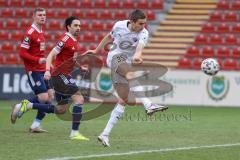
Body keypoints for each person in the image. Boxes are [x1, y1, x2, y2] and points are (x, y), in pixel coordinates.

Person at [87, 9, 168, 147]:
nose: (143, 26)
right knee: (130, 74)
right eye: (141, 23)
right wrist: (95, 50)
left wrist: (137, 56)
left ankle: (105, 134)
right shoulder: (119, 25)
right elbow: (109, 37)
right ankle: (148, 105)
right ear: (132, 22)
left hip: (126, 63)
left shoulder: (144, 33)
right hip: (115, 58)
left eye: (145, 23)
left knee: (125, 100)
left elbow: (139, 49)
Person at [11, 16, 89, 140]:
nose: (78, 28)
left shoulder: (74, 40)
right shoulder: (65, 39)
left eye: (79, 25)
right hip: (59, 76)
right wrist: (47, 70)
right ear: (68, 26)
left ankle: (28, 105)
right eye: (76, 25)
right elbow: (51, 55)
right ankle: (74, 133)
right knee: (79, 99)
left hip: (62, 76)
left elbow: (71, 60)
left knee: (60, 109)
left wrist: (80, 67)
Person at [12, 8, 54, 133]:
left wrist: (46, 65)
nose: (43, 17)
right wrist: (37, 60)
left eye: (44, 15)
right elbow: (22, 53)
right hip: (34, 70)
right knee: (43, 98)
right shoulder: (29, 33)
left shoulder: (40, 31)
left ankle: (35, 125)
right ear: (34, 17)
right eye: (40, 15)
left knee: (50, 96)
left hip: (42, 70)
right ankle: (20, 106)